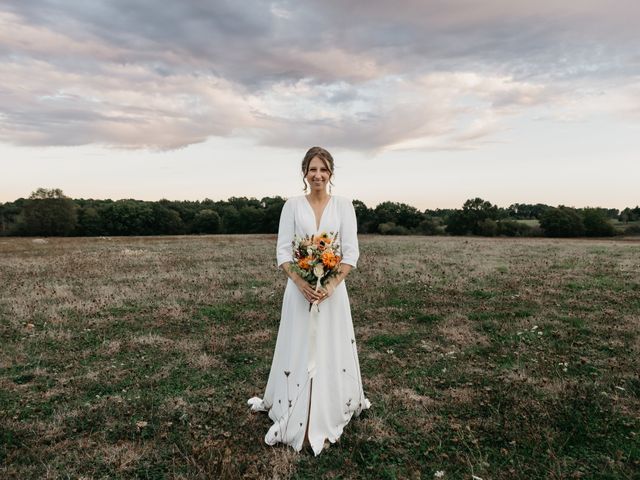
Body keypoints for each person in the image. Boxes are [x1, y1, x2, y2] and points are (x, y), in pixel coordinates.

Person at [247, 146, 371, 456]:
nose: (318, 175)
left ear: (331, 174)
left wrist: (330, 284)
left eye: (324, 170)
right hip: (298, 292)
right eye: (312, 169)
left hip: (332, 295)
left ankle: (327, 407)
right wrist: (302, 283)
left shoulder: (344, 206)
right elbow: (283, 253)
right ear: (305, 173)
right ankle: (295, 406)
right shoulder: (291, 206)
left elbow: (351, 253)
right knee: (300, 344)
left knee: (329, 346)